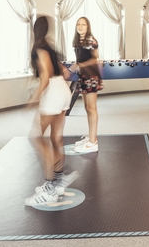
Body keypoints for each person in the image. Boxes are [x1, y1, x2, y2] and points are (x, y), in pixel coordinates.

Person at [24, 15, 79, 207]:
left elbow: (46, 76)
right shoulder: (50, 47)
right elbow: (65, 72)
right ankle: (59, 179)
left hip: (53, 93)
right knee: (55, 138)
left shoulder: (39, 48)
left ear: (34, 30)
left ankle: (50, 188)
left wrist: (35, 98)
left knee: (36, 138)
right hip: (63, 89)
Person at [71, 16, 103, 154]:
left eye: (83, 24)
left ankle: (93, 142)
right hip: (83, 76)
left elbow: (94, 59)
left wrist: (79, 65)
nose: (80, 26)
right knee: (87, 107)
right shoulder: (79, 42)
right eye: (78, 24)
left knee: (91, 108)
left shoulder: (90, 40)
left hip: (91, 76)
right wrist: (78, 65)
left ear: (88, 26)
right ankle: (91, 137)